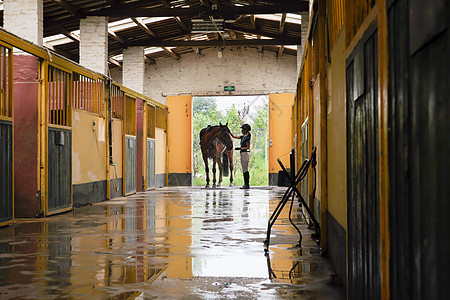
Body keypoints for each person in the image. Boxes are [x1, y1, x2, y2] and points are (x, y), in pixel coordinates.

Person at [230, 124, 251, 189]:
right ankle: (245, 184)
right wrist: (229, 132)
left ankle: (246, 184)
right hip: (242, 153)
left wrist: (240, 148)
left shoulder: (247, 138)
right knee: (244, 169)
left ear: (245, 130)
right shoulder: (243, 137)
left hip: (245, 153)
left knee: (245, 169)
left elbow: (248, 147)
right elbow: (234, 136)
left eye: (242, 129)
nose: (241, 130)